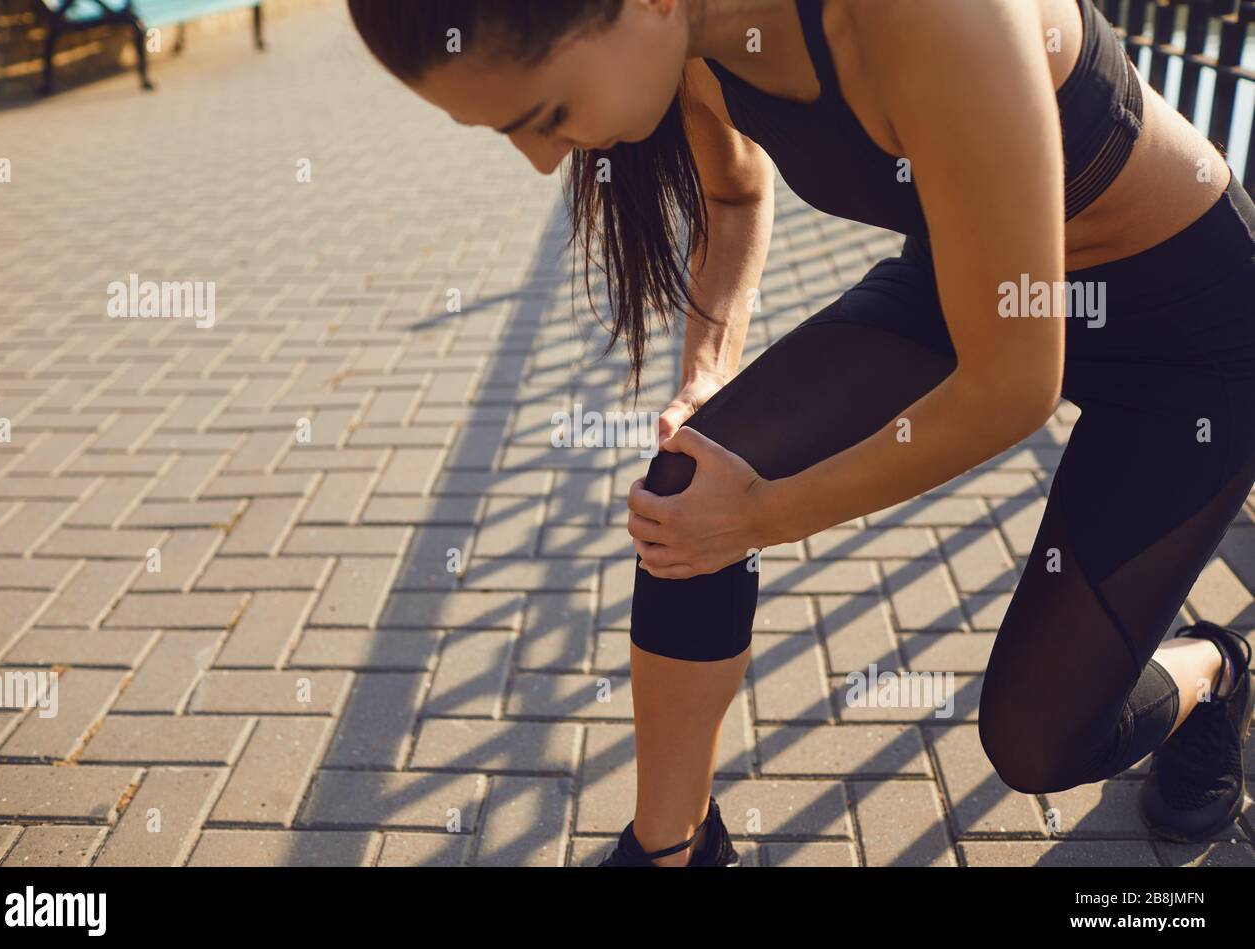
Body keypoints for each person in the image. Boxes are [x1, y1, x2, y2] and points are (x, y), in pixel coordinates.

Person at [346, 0, 1255, 866]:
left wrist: (761, 517)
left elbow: (1012, 387)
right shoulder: (697, 39)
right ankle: (673, 846)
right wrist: (707, 373)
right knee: (688, 488)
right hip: (969, 288)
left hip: (1187, 339)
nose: (544, 164)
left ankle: (1215, 667)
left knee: (1040, 744)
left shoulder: (929, 21)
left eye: (543, 116)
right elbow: (735, 200)